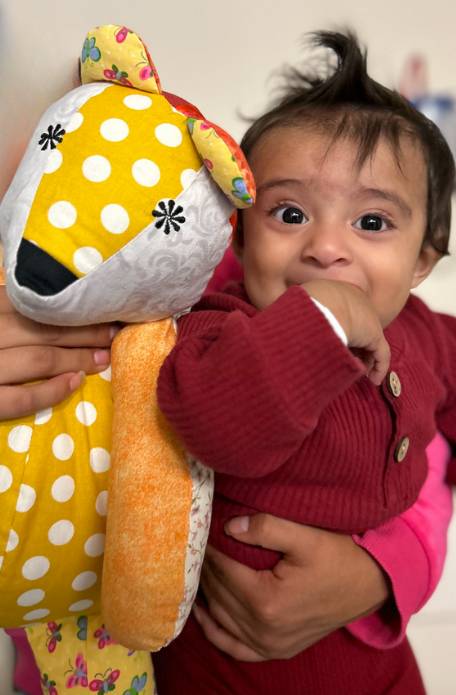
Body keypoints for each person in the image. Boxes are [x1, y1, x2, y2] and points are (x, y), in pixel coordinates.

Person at [152, 31, 456, 694]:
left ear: (422, 261)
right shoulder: (221, 327)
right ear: (240, 236)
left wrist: (395, 568)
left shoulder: (425, 331)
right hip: (227, 664)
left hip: (379, 663)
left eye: (371, 223)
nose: (325, 247)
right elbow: (216, 427)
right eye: (289, 213)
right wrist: (320, 321)